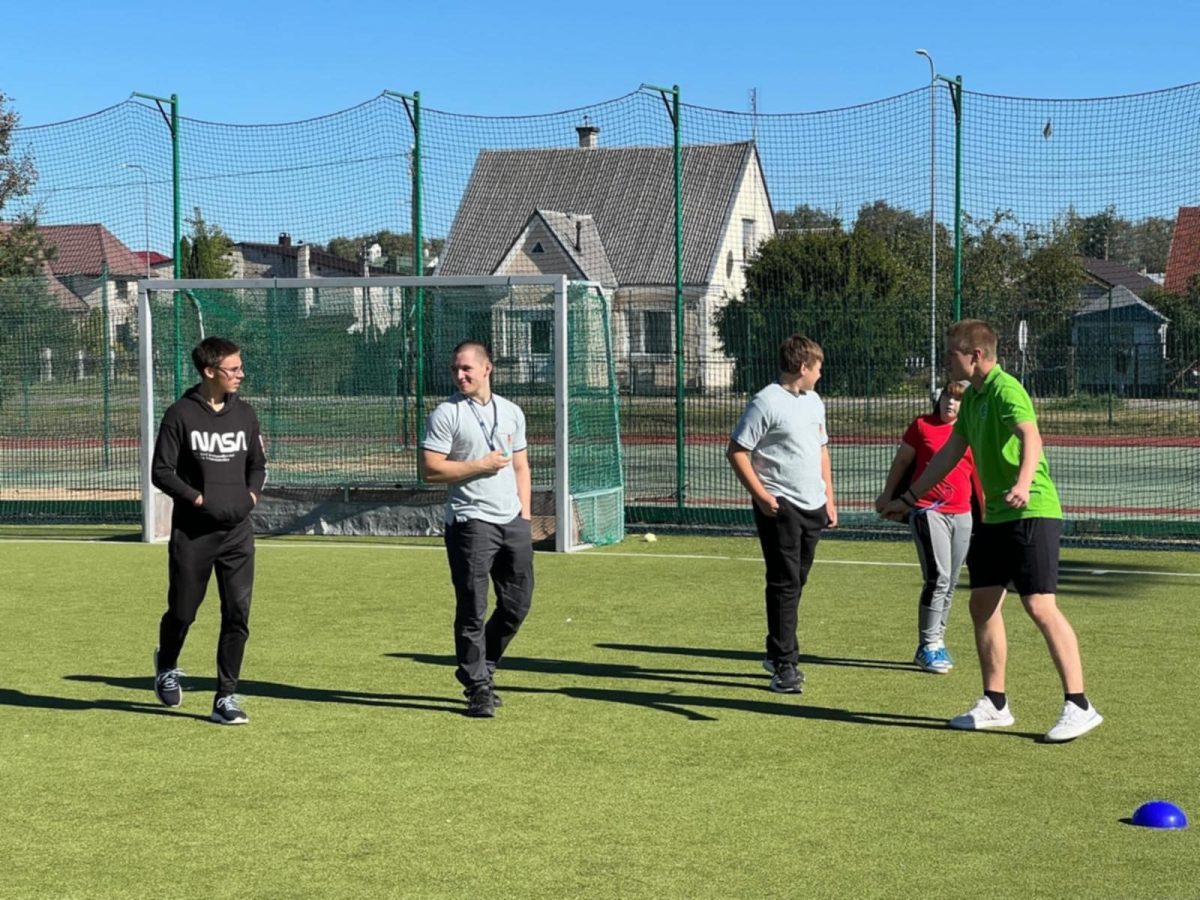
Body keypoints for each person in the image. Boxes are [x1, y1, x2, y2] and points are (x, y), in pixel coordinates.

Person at [882, 319, 1102, 742]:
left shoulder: (1005, 389)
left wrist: (1023, 483)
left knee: (1039, 605)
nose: (947, 362)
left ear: (976, 355)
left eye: (952, 354)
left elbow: (1031, 437)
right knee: (982, 605)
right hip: (996, 518)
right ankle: (995, 704)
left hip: (1031, 511)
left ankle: (1079, 705)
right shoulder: (973, 399)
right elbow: (948, 455)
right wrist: (908, 499)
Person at [150, 337, 267, 725]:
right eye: (233, 369)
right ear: (209, 371)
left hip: (237, 534)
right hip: (194, 534)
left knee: (237, 613)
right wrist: (198, 499)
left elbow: (257, 465)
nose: (241, 374)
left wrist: (250, 496)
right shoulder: (180, 414)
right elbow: (161, 472)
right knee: (183, 611)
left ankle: (226, 697)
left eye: (240, 366)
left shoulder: (245, 414)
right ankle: (167, 664)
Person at [420, 340, 534, 718]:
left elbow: (521, 466)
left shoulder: (512, 412)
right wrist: (479, 466)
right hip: (470, 522)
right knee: (472, 607)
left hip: (512, 521)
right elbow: (431, 469)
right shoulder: (446, 413)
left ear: (487, 368)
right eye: (455, 369)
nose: (460, 375)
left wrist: (525, 516)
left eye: (466, 368)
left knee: (517, 605)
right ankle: (477, 686)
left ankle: (483, 665)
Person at [727, 334, 838, 694]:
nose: (820, 374)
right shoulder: (766, 401)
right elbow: (737, 451)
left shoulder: (814, 401)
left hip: (813, 506)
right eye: (818, 367)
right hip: (781, 507)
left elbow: (822, 451)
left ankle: (776, 651)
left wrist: (829, 499)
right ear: (803, 367)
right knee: (785, 583)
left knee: (796, 582)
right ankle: (785, 665)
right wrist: (762, 497)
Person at [875, 380, 977, 674]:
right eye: (947, 396)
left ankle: (938, 641)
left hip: (962, 513)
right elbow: (902, 462)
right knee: (938, 577)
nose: (951, 403)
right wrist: (888, 495)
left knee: (952, 580)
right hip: (927, 510)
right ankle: (927, 645)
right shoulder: (922, 426)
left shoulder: (970, 430)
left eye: (957, 399)